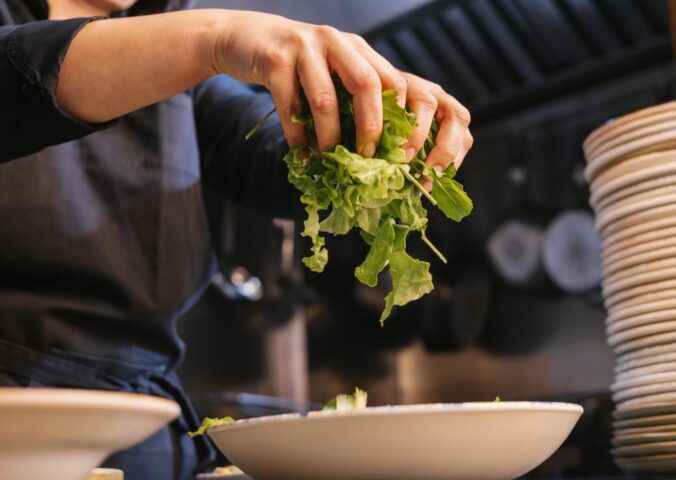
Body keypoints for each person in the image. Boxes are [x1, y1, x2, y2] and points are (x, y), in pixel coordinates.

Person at [0, 0, 473, 478]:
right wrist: (216, 36)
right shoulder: (183, 39)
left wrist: (367, 132)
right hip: (15, 423)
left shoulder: (178, 73)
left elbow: (274, 155)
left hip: (145, 427)